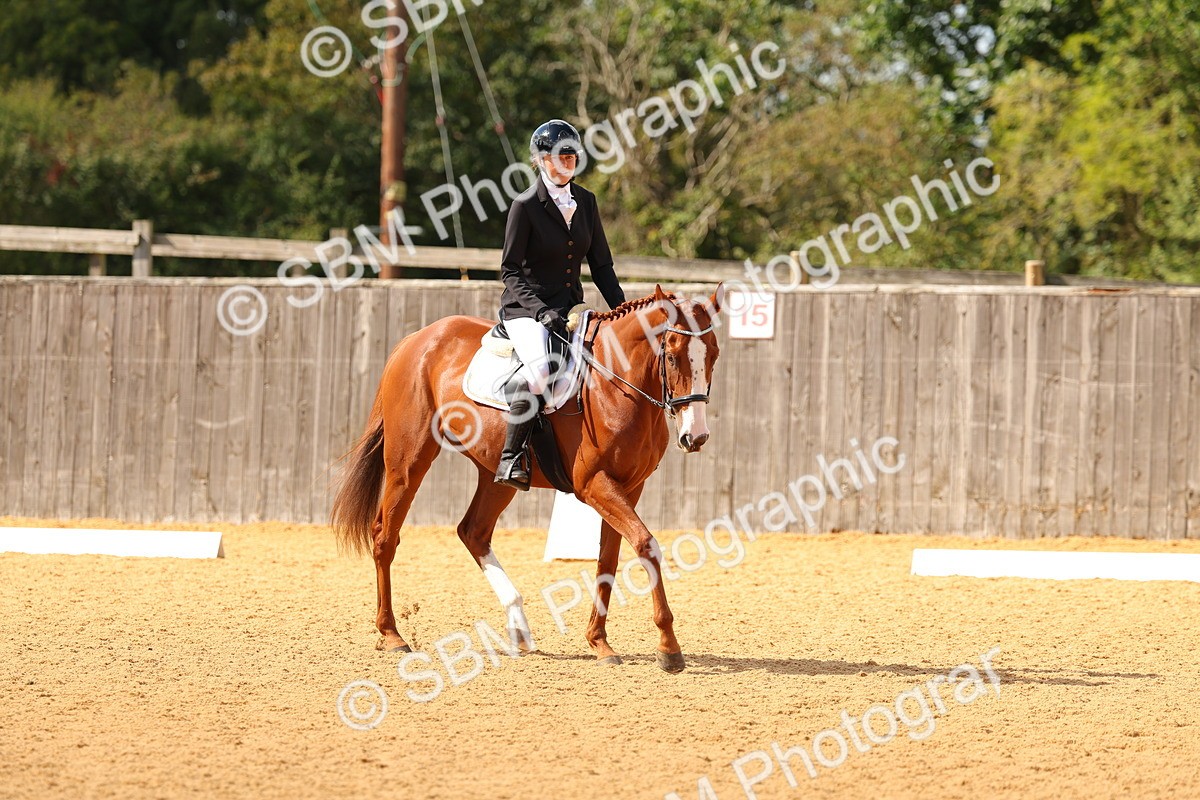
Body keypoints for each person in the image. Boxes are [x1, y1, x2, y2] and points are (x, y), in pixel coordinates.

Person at [494, 119, 627, 490]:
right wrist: (539, 311)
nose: (567, 162)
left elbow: (601, 265)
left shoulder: (586, 202)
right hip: (526, 310)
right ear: (540, 160)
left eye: (572, 155)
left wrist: (622, 311)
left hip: (570, 308)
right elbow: (510, 271)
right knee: (541, 372)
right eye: (559, 156)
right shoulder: (525, 206)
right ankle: (511, 458)